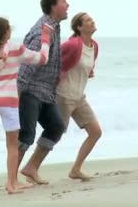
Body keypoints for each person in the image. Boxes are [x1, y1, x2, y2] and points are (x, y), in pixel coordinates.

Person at [0, 17, 52, 195]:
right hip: (8, 101)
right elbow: (42, 59)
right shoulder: (15, 49)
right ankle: (11, 184)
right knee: (11, 145)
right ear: (7, 32)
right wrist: (45, 38)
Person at [17, 0, 69, 185]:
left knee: (56, 126)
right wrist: (17, 94)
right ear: (53, 7)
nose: (68, 5)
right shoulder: (42, 31)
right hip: (30, 90)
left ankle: (31, 168)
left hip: (46, 92)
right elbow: (27, 65)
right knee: (25, 136)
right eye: (64, 1)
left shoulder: (53, 27)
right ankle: (11, 178)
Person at [57, 12, 101, 181]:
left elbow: (89, 66)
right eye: (88, 20)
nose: (93, 21)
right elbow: (56, 64)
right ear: (79, 27)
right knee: (54, 135)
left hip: (79, 97)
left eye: (92, 18)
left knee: (95, 132)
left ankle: (75, 169)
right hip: (63, 95)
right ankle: (30, 168)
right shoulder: (72, 44)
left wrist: (89, 72)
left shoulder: (94, 46)